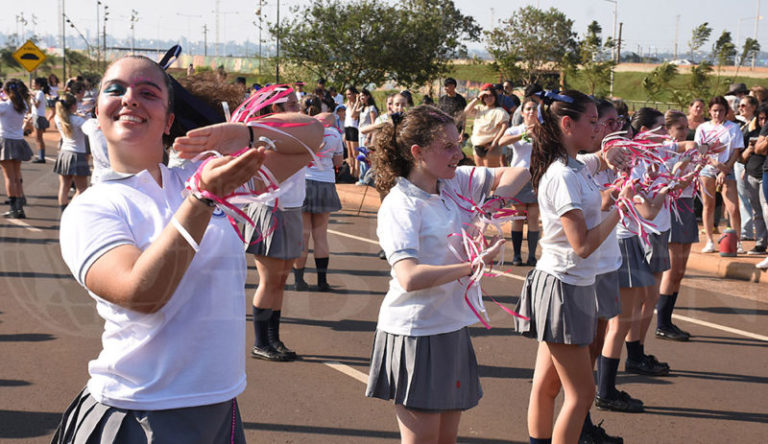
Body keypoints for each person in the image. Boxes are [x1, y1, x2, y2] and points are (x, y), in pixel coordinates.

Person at [53, 55, 323, 442]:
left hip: (220, 405)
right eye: (115, 91)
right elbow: (143, 294)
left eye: (148, 93)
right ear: (97, 113)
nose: (130, 99)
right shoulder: (92, 207)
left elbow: (310, 138)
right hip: (143, 411)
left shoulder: (196, 177)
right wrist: (202, 200)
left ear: (168, 120)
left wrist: (243, 133)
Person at [366, 105, 529, 443]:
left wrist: (490, 207)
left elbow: (520, 173)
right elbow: (408, 277)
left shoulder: (452, 184)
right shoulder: (401, 205)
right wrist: (473, 265)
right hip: (417, 331)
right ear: (418, 152)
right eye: (449, 147)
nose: (461, 154)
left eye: (460, 143)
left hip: (450, 327)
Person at [515, 90, 633, 444]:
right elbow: (581, 245)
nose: (599, 128)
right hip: (563, 286)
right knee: (581, 394)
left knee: (548, 386)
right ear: (568, 124)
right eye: (593, 121)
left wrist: (608, 156)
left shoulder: (575, 166)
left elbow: (596, 161)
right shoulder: (562, 175)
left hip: (570, 285)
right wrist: (619, 210)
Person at [242, 88, 309, 362]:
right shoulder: (267, 135)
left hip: (292, 209)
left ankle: (274, 338)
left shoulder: (300, 131)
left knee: (281, 280)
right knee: (269, 281)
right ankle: (261, 342)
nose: (298, 106)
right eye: (290, 103)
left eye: (297, 102)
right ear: (275, 108)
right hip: (270, 209)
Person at [293, 100, 344, 291]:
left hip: (305, 182)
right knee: (321, 236)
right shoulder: (335, 134)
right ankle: (322, 282)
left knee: (303, 235)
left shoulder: (306, 131)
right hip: (325, 183)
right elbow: (338, 161)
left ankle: (299, 280)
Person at [657, 110, 699, 341]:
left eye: (686, 127)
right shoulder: (666, 150)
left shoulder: (686, 149)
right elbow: (672, 183)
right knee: (672, 270)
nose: (685, 132)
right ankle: (662, 323)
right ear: (669, 129)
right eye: (680, 128)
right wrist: (688, 167)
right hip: (673, 205)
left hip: (686, 205)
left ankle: (668, 321)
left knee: (680, 270)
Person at [697, 96, 745, 254]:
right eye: (715, 110)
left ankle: (737, 242)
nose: (717, 114)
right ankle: (709, 240)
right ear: (710, 111)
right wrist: (714, 163)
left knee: (733, 208)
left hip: (727, 170)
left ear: (726, 112)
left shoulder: (734, 128)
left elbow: (736, 151)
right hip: (707, 170)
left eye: (721, 111)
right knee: (708, 205)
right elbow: (701, 151)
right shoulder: (703, 128)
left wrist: (725, 169)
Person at [498, 97, 540, 266]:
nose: (531, 111)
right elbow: (502, 142)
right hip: (519, 176)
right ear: (522, 113)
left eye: (534, 109)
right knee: (518, 216)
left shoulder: (543, 131)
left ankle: (532, 255)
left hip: (537, 176)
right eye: (528, 109)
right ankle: (516, 255)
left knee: (534, 217)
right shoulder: (516, 130)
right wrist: (524, 135)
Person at [0, 79, 33, 219]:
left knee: (9, 178)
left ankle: (14, 209)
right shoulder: (23, 105)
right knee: (16, 176)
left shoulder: (5, 106)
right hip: (18, 141)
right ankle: (19, 208)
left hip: (6, 141)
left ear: (6, 91)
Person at [52, 93, 90, 209]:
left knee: (64, 187)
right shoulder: (77, 120)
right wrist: (86, 117)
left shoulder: (58, 118)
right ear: (73, 105)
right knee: (82, 189)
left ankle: (64, 212)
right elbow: (89, 130)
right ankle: (71, 212)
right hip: (77, 154)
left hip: (64, 153)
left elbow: (68, 118)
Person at [464, 84, 509, 167]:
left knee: (490, 174)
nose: (489, 98)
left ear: (495, 97)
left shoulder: (500, 111)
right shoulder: (479, 108)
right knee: (480, 173)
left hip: (490, 145)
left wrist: (494, 142)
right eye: (486, 96)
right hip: (477, 145)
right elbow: (466, 111)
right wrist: (477, 98)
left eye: (491, 95)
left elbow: (504, 126)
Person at [30, 77, 51, 163]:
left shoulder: (39, 93)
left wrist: (32, 97)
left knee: (38, 138)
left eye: (34, 83)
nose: (32, 85)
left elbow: (37, 105)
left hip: (39, 116)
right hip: (37, 116)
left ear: (38, 84)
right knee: (38, 138)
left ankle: (41, 157)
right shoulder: (38, 93)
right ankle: (41, 157)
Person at [344, 86, 361, 178]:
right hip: (347, 128)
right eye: (347, 94)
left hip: (354, 128)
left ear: (355, 94)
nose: (348, 96)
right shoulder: (347, 103)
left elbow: (353, 116)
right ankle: (351, 173)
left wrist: (356, 101)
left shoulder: (358, 104)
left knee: (355, 153)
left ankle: (357, 174)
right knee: (349, 153)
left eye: (350, 94)